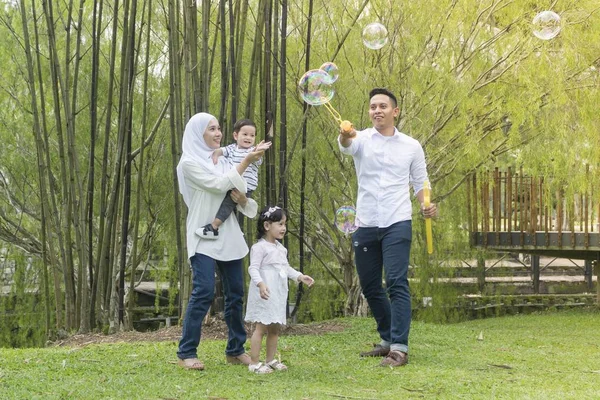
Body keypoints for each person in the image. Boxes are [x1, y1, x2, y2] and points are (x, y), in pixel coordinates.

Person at [337, 88, 437, 367]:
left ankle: (399, 348)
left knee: (396, 282)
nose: (377, 111)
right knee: (370, 285)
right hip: (365, 222)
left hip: (398, 221)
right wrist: (345, 134)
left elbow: (421, 182)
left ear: (395, 111)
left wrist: (426, 203)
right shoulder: (361, 139)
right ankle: (386, 339)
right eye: (372, 107)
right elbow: (346, 145)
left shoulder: (411, 145)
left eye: (382, 106)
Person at [175, 112, 268, 371]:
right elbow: (217, 186)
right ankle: (186, 352)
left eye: (219, 129)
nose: (218, 133)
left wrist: (243, 201)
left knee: (235, 294)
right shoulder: (189, 163)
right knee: (203, 291)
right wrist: (248, 160)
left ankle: (235, 349)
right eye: (211, 129)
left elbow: (247, 205)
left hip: (229, 235)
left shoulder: (225, 160)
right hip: (202, 234)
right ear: (198, 134)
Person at [244, 205, 315, 374]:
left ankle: (270, 360)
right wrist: (261, 284)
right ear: (267, 226)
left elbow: (286, 268)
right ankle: (254, 363)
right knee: (260, 328)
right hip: (265, 293)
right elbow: (252, 268)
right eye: (280, 224)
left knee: (275, 328)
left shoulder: (281, 249)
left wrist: (300, 276)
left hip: (278, 293)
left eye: (285, 224)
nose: (284, 228)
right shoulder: (259, 248)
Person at [198, 119, 270, 239]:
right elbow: (221, 150)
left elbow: (257, 157)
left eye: (252, 135)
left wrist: (258, 150)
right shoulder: (232, 148)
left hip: (244, 186)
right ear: (236, 135)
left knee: (228, 204)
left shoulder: (252, 151)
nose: (249, 138)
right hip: (230, 183)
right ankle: (234, 231)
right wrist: (216, 153)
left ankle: (214, 227)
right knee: (224, 204)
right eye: (245, 134)